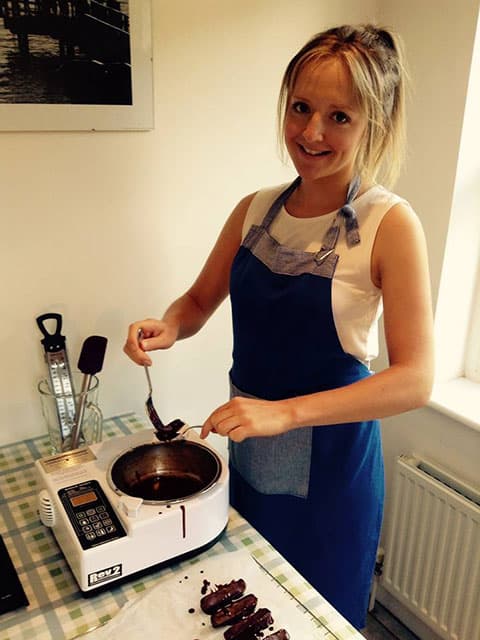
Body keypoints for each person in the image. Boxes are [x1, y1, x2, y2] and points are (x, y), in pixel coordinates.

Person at [124, 24, 434, 630]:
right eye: (300, 107)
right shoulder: (255, 208)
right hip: (251, 460)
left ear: (375, 122)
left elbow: (416, 380)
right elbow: (197, 301)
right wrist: (166, 326)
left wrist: (284, 412)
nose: (311, 132)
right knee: (242, 609)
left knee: (312, 620)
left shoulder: (390, 225)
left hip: (332, 481)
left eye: (339, 116)